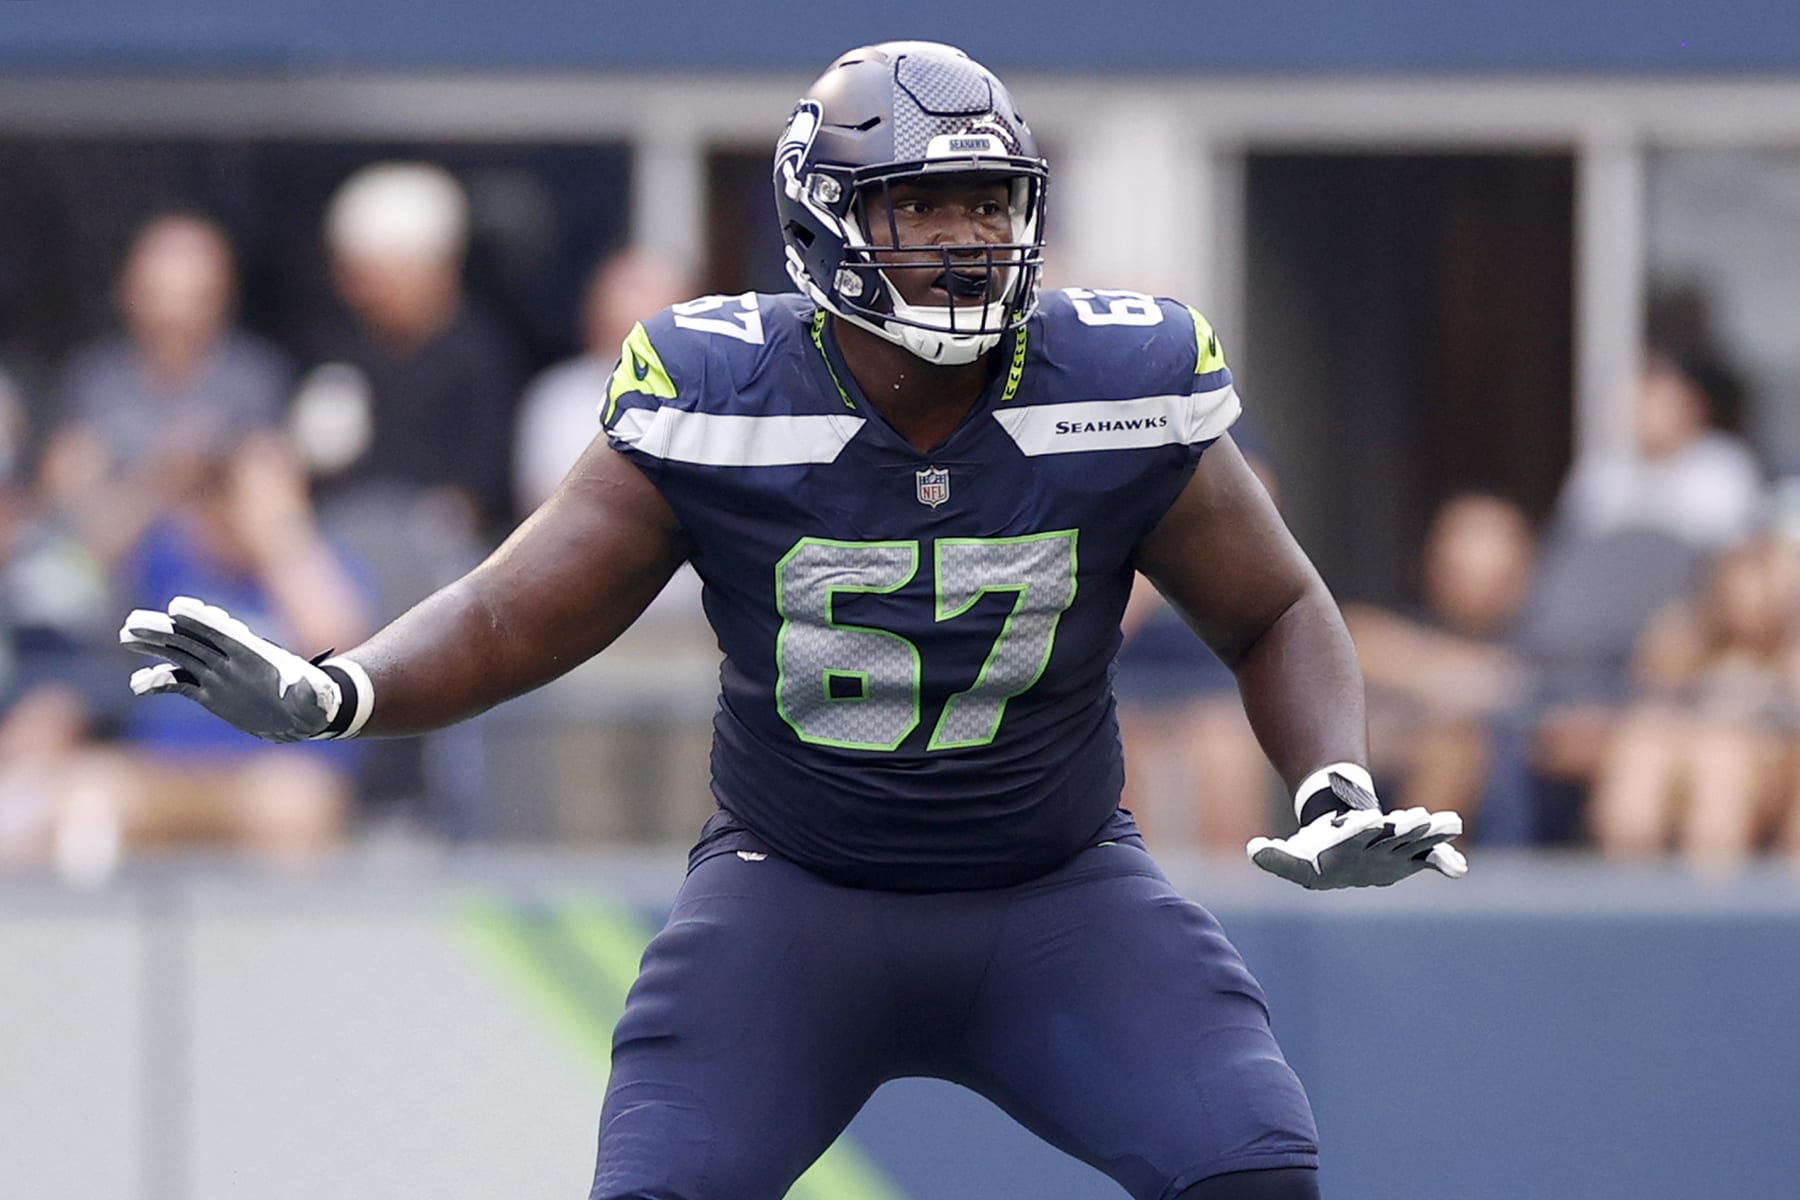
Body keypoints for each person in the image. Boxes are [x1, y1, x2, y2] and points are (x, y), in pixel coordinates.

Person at [120, 43, 1466, 1200]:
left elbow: (1276, 603)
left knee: (1252, 1162)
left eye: (988, 205)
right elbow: (510, 612)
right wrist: (337, 689)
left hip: (1060, 892)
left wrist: (1335, 780)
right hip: (795, 898)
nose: (966, 239)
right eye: (924, 206)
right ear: (828, 223)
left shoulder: (1119, 378)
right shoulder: (722, 387)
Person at [1346, 492, 1536, 830]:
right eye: (1458, 547)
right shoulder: (1411, 630)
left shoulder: (1547, 641)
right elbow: (1341, 638)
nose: (1471, 564)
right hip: (1382, 810)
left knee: (1454, 746)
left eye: (1489, 547)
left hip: (1524, 838)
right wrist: (1450, 674)